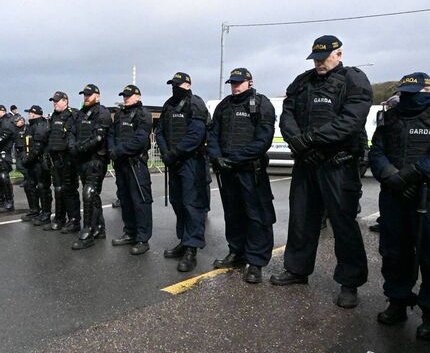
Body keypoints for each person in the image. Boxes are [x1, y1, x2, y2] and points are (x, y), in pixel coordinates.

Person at [272, 35, 373, 309]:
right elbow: (287, 115)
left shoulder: (354, 80)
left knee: (343, 223)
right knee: (302, 218)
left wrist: (311, 140)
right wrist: (300, 144)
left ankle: (349, 283)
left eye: (323, 57)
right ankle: (297, 270)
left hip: (337, 164)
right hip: (307, 162)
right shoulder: (302, 81)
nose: (318, 63)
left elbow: (350, 121)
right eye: (315, 58)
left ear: (338, 54)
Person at [369, 72, 430, 341]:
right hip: (394, 195)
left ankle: (429, 313)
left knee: (429, 254)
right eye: (404, 93)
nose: (407, 99)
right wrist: (392, 175)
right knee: (394, 251)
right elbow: (376, 151)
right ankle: (398, 301)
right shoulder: (390, 117)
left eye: (413, 93)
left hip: (425, 195)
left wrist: (411, 175)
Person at [207, 68, 276, 283]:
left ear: (250, 82)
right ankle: (236, 252)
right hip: (227, 170)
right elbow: (213, 134)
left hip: (249, 171)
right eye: (232, 83)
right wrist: (217, 158)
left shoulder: (261, 104)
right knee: (233, 213)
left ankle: (255, 261)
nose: (235, 87)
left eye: (239, 83)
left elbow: (263, 140)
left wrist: (234, 159)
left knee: (256, 216)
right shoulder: (224, 105)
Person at [155, 72, 211, 272]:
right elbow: (159, 131)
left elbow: (196, 134)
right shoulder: (168, 105)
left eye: (178, 84)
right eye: (172, 84)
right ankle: (183, 240)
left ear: (188, 85)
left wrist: (175, 153)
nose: (174, 87)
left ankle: (192, 249)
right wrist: (165, 152)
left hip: (190, 162)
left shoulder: (195, 103)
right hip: (173, 161)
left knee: (191, 204)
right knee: (177, 203)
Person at [108, 85, 153, 255]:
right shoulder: (120, 114)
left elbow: (140, 140)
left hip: (136, 164)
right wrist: (112, 149)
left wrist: (118, 150)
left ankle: (142, 238)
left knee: (140, 201)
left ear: (138, 96)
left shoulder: (144, 114)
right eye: (124, 96)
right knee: (125, 200)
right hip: (121, 164)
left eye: (129, 95)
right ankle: (130, 232)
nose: (126, 98)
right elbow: (112, 134)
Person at [70, 84, 112, 250]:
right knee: (93, 196)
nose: (86, 97)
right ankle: (99, 228)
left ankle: (87, 231)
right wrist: (73, 146)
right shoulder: (81, 113)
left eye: (89, 95)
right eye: (84, 95)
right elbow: (73, 132)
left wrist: (79, 148)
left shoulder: (102, 113)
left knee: (88, 193)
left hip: (96, 160)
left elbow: (98, 138)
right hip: (82, 161)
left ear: (98, 96)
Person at [46, 91, 81, 233]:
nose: (55, 103)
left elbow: (74, 136)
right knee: (58, 189)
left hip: (68, 158)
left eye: (57, 100)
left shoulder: (72, 114)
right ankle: (59, 219)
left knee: (70, 190)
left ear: (65, 101)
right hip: (56, 158)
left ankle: (74, 221)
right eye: (53, 101)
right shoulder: (54, 115)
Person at [369, 94, 400, 234]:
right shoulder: (388, 120)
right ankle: (384, 221)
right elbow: (377, 149)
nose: (387, 108)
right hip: (390, 173)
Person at [20, 105, 52, 225]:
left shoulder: (41, 126)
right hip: (30, 162)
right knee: (29, 185)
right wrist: (24, 157)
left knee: (43, 187)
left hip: (40, 162)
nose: (28, 115)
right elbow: (25, 145)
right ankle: (34, 210)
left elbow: (38, 147)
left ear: (34, 114)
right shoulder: (30, 127)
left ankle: (46, 213)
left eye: (30, 113)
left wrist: (27, 159)